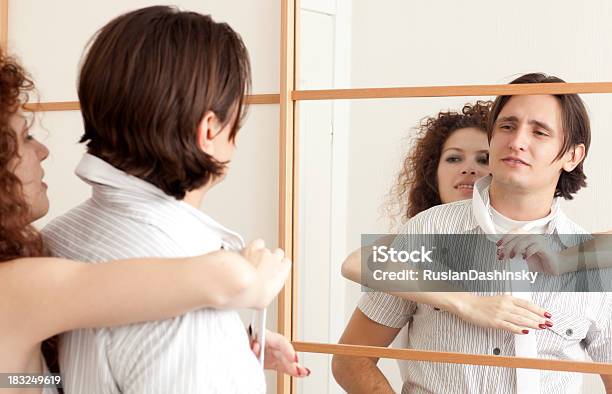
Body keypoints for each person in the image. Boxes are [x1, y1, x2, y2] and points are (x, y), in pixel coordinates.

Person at [0, 51, 306, 394]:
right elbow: (225, 276)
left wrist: (230, 346)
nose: (42, 150)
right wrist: (254, 284)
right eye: (25, 136)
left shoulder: (43, 256)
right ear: (208, 129)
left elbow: (22, 382)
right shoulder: (17, 285)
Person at [333, 73, 612, 394]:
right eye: (507, 126)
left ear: (572, 156)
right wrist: (465, 303)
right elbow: (351, 359)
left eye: (539, 132)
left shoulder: (592, 260)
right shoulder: (429, 230)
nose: (517, 141)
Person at [342, 102, 552, 334]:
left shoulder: (537, 236)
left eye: (483, 159)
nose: (469, 169)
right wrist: (468, 304)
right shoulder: (422, 234)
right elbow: (356, 262)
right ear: (434, 171)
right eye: (454, 159)